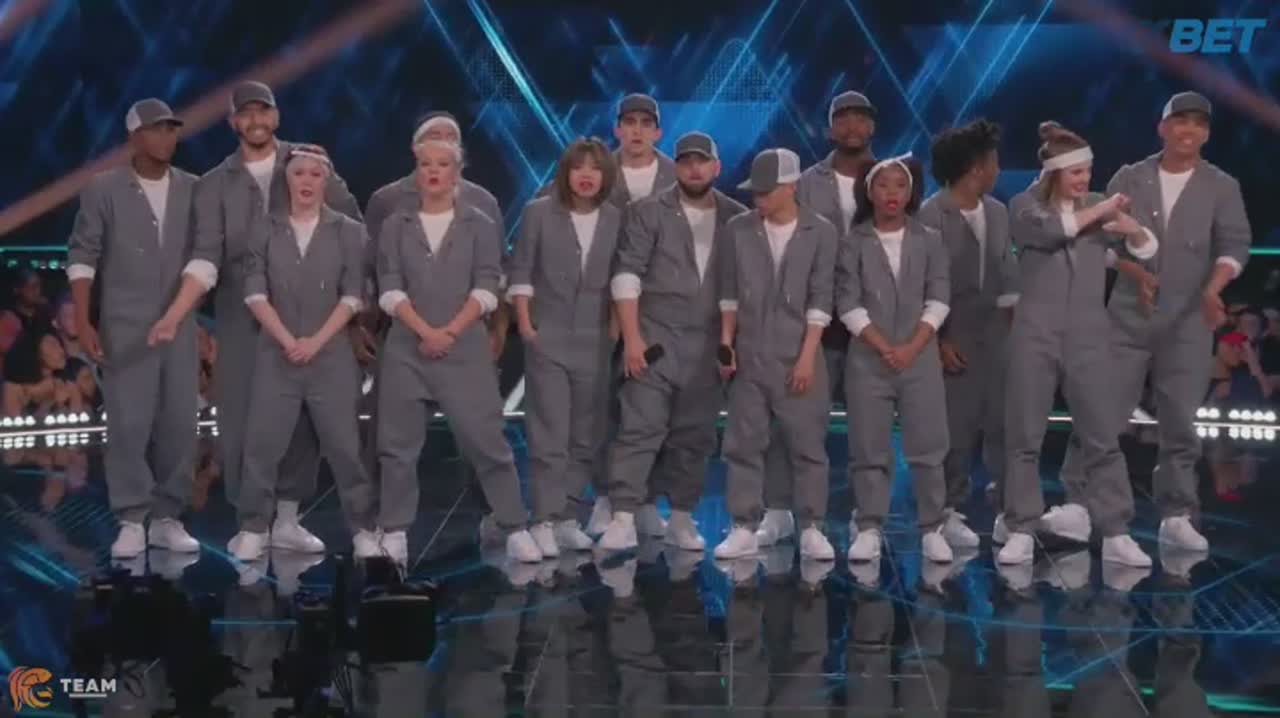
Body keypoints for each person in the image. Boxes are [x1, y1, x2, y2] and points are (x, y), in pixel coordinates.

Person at [1053, 92, 1252, 554]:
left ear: (1207, 133)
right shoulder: (1130, 177)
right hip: (1126, 317)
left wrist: (1213, 289)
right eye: (1180, 121)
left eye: (1198, 123)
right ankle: (1077, 503)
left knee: (1180, 421)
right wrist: (1136, 272)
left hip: (1189, 322)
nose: (1189, 130)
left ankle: (1176, 515)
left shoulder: (1222, 186)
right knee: (1101, 411)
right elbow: (1102, 241)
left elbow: (1235, 245)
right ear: (1163, 127)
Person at [165, 81, 363, 532]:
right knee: (239, 415)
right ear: (233, 121)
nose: (255, 120)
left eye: (263, 111)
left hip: (308, 311)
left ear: (275, 116)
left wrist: (355, 311)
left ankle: (289, 518)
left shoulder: (309, 163)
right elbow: (206, 253)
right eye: (245, 113)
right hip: (240, 313)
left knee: (302, 417)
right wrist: (178, 312)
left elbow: (350, 225)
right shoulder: (213, 184)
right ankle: (251, 523)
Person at [374, 138, 539, 564]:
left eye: (442, 164)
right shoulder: (395, 224)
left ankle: (515, 526)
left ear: (457, 171)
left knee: (488, 442)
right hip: (407, 350)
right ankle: (394, 531)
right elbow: (389, 286)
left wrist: (448, 332)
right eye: (425, 164)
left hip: (464, 349)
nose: (433, 171)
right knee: (397, 447)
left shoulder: (479, 224)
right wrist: (425, 331)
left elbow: (487, 286)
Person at [998, 122, 1156, 567]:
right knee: (1024, 437)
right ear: (1054, 173)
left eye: (1088, 170)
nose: (1085, 179)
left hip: (1088, 338)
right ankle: (1021, 528)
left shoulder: (1096, 206)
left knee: (1102, 437)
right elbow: (1056, 231)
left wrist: (1132, 229)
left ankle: (1116, 531)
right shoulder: (1024, 206)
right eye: (1076, 172)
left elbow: (1146, 248)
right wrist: (1104, 210)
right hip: (1035, 336)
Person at [66, 98, 207, 559]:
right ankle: (131, 518)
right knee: (128, 422)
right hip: (123, 324)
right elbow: (83, 254)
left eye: (171, 129)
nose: (167, 137)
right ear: (135, 136)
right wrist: (83, 319)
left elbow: (205, 256)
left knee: (180, 421)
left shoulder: (193, 188)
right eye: (157, 129)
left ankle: (167, 518)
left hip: (180, 324)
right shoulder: (103, 188)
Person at [362, 112, 510, 542]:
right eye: (432, 142)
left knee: (482, 436)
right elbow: (374, 271)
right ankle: (387, 525)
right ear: (416, 152)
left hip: (467, 337)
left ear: (458, 160)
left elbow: (494, 272)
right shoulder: (388, 203)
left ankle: (500, 518)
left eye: (449, 142)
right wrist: (368, 328)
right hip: (402, 337)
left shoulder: (483, 206)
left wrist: (496, 327)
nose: (438, 156)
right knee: (392, 440)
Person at [227, 145, 379, 562]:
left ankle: (363, 530)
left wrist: (315, 341)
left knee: (345, 448)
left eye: (315, 174)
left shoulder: (349, 231)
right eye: (299, 173)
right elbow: (254, 292)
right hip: (277, 356)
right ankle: (253, 527)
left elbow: (353, 295)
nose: (307, 181)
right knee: (262, 444)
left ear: (326, 180)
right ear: (287, 180)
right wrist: (287, 339)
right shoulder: (264, 229)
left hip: (331, 358)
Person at [597, 131, 747, 551]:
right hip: (655, 338)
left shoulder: (736, 218)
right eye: (686, 161)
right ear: (676, 167)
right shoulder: (647, 212)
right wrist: (632, 340)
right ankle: (623, 516)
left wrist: (728, 344)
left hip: (707, 344)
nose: (694, 169)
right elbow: (627, 276)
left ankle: (681, 518)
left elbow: (738, 289)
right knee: (639, 428)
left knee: (694, 435)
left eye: (702, 161)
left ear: (716, 167)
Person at [713, 147, 837, 561]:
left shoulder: (821, 231)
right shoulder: (738, 229)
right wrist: (726, 345)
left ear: (791, 187)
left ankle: (812, 527)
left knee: (806, 444)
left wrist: (807, 357)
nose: (759, 199)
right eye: (756, 192)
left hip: (799, 352)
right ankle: (743, 526)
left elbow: (821, 298)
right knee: (743, 443)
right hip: (749, 353)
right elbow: (729, 294)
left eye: (767, 192)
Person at [837, 154, 954, 564]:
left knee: (929, 447)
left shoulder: (930, 239)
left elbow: (939, 297)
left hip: (920, 359)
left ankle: (932, 528)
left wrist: (912, 346)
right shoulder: (853, 242)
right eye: (883, 185)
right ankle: (869, 526)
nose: (892, 193)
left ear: (911, 192)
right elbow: (847, 302)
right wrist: (884, 346)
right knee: (869, 448)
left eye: (900, 185)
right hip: (868, 361)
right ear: (869, 192)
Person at [507, 138, 620, 557]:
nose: (586, 175)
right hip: (548, 336)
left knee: (586, 435)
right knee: (549, 433)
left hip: (595, 339)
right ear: (566, 173)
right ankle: (544, 519)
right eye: (579, 167)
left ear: (605, 176)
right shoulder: (538, 213)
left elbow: (623, 277)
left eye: (595, 168)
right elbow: (521, 270)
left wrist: (613, 330)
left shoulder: (615, 218)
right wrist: (525, 325)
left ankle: (567, 517)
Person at [917, 119, 1019, 548]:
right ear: (976, 168)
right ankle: (945, 513)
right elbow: (921, 285)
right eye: (993, 161)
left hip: (997, 336)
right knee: (954, 432)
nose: (998, 169)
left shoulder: (997, 211)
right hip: (950, 336)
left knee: (1004, 426)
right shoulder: (929, 215)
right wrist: (940, 339)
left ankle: (1011, 511)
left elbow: (1008, 273)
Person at [2, 331, 82, 417]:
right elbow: (15, 423)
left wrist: (61, 405)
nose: (61, 351)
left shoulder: (68, 384)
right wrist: (49, 403)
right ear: (34, 351)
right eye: (53, 346)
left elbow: (77, 421)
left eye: (60, 345)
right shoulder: (13, 388)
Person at [0, 270, 52, 371]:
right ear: (17, 289)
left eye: (38, 286)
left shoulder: (45, 315)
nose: (37, 291)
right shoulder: (7, 318)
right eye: (31, 287)